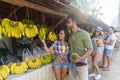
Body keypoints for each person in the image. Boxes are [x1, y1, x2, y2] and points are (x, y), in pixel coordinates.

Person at [66, 14, 93, 80]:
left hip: (82, 65)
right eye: (66, 22)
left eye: (68, 22)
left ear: (74, 22)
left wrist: (80, 58)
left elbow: (90, 49)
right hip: (72, 65)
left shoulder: (84, 34)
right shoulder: (70, 35)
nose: (67, 24)